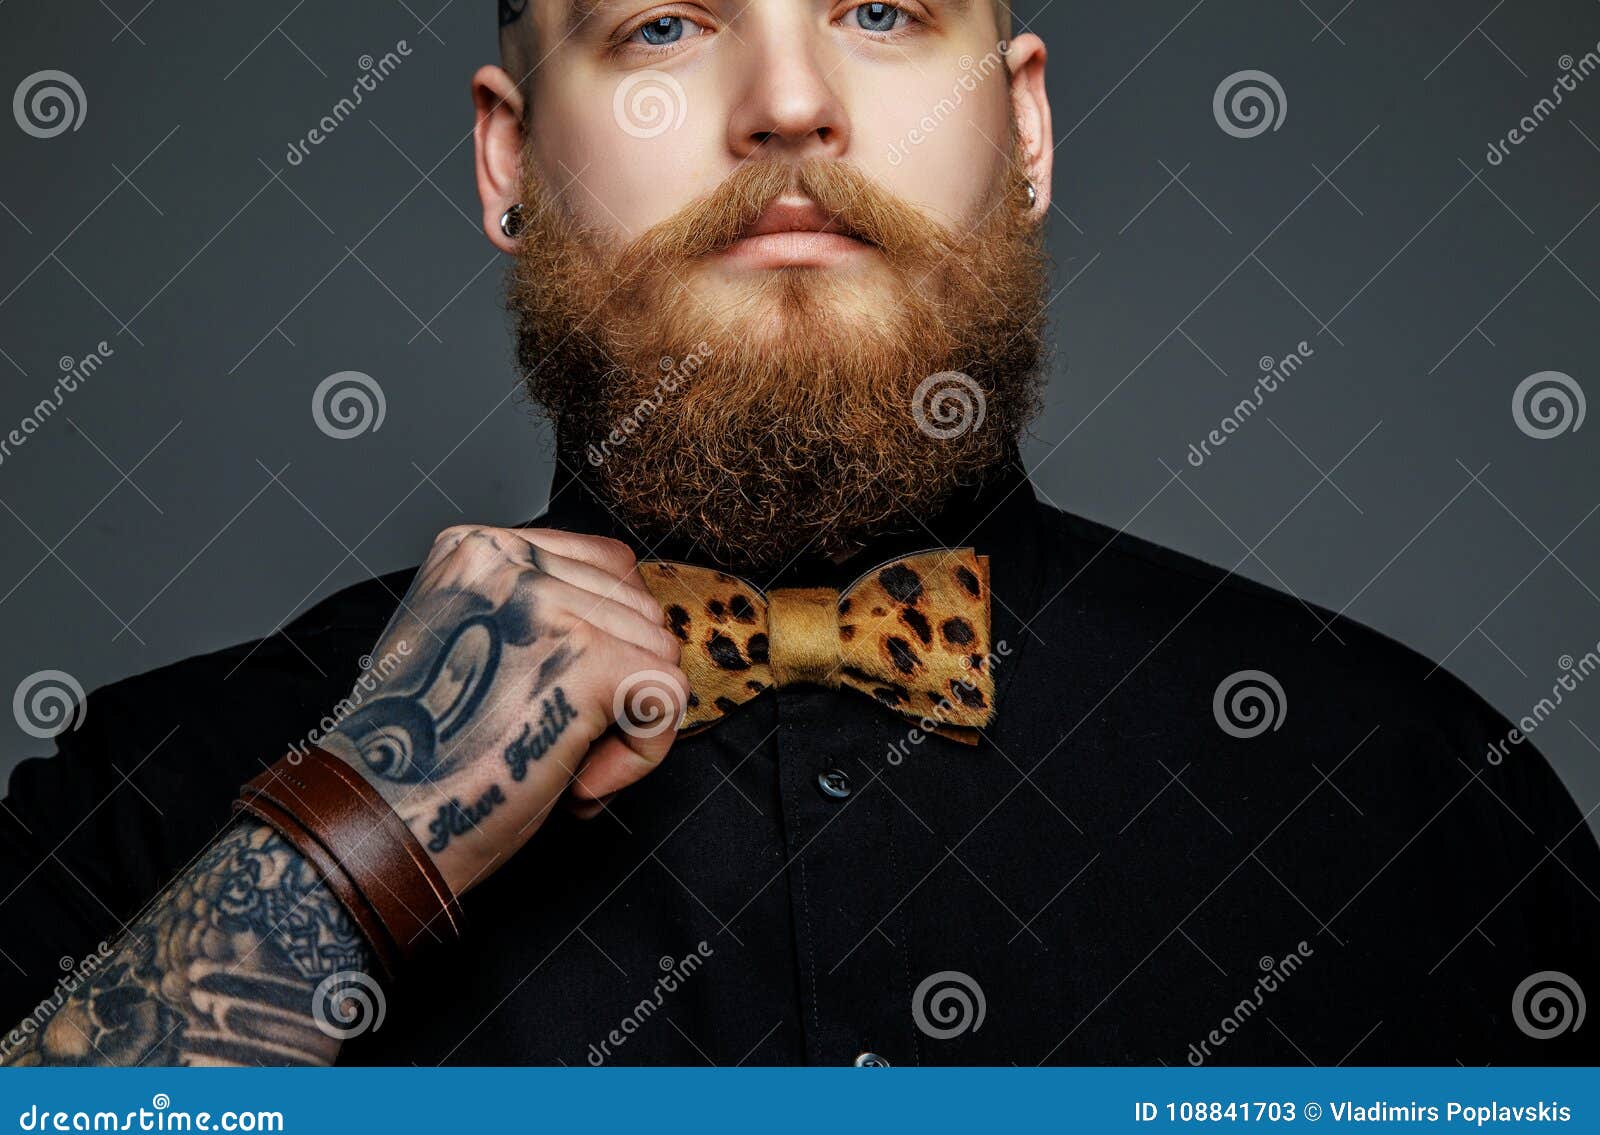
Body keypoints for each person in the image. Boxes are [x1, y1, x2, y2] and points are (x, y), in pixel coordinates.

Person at [1, 0, 1594, 1067]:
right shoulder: (146, 812)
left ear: (1025, 128)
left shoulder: (1412, 802)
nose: (786, 105)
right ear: (507, 160)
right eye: (666, 25)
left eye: (885, 9)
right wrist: (353, 839)